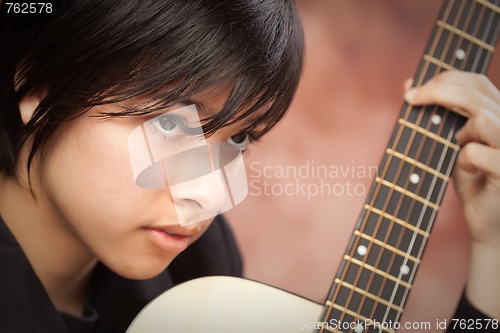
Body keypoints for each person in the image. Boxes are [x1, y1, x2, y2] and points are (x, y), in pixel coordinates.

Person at [0, 1, 497, 333]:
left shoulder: (200, 276)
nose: (210, 194)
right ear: (35, 86)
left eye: (238, 138)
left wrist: (493, 250)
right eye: (171, 125)